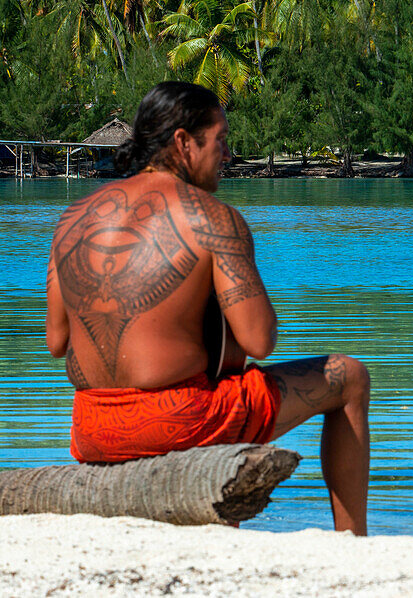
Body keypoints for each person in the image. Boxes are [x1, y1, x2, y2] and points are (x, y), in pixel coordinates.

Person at [45, 81, 370, 535]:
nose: (228, 154)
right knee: (349, 377)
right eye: (220, 140)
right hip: (176, 421)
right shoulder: (214, 218)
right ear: (183, 142)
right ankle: (353, 542)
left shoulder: (71, 218)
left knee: (217, 366)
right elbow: (259, 340)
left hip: (90, 426)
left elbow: (57, 343)